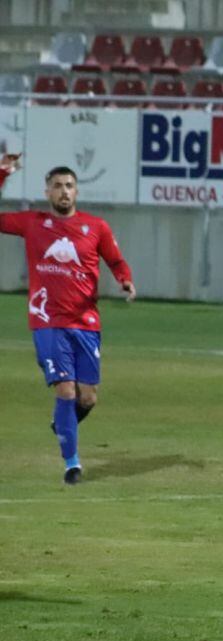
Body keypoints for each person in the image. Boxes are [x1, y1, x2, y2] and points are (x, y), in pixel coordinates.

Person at [0, 156, 136, 485]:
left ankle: (63, 425)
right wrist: (3, 172)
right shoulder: (33, 223)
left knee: (87, 398)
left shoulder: (96, 227)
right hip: (47, 320)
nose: (64, 192)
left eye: (70, 186)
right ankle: (71, 464)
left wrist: (125, 280)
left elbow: (116, 261)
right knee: (65, 389)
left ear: (77, 192)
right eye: (58, 186)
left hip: (86, 322)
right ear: (47, 192)